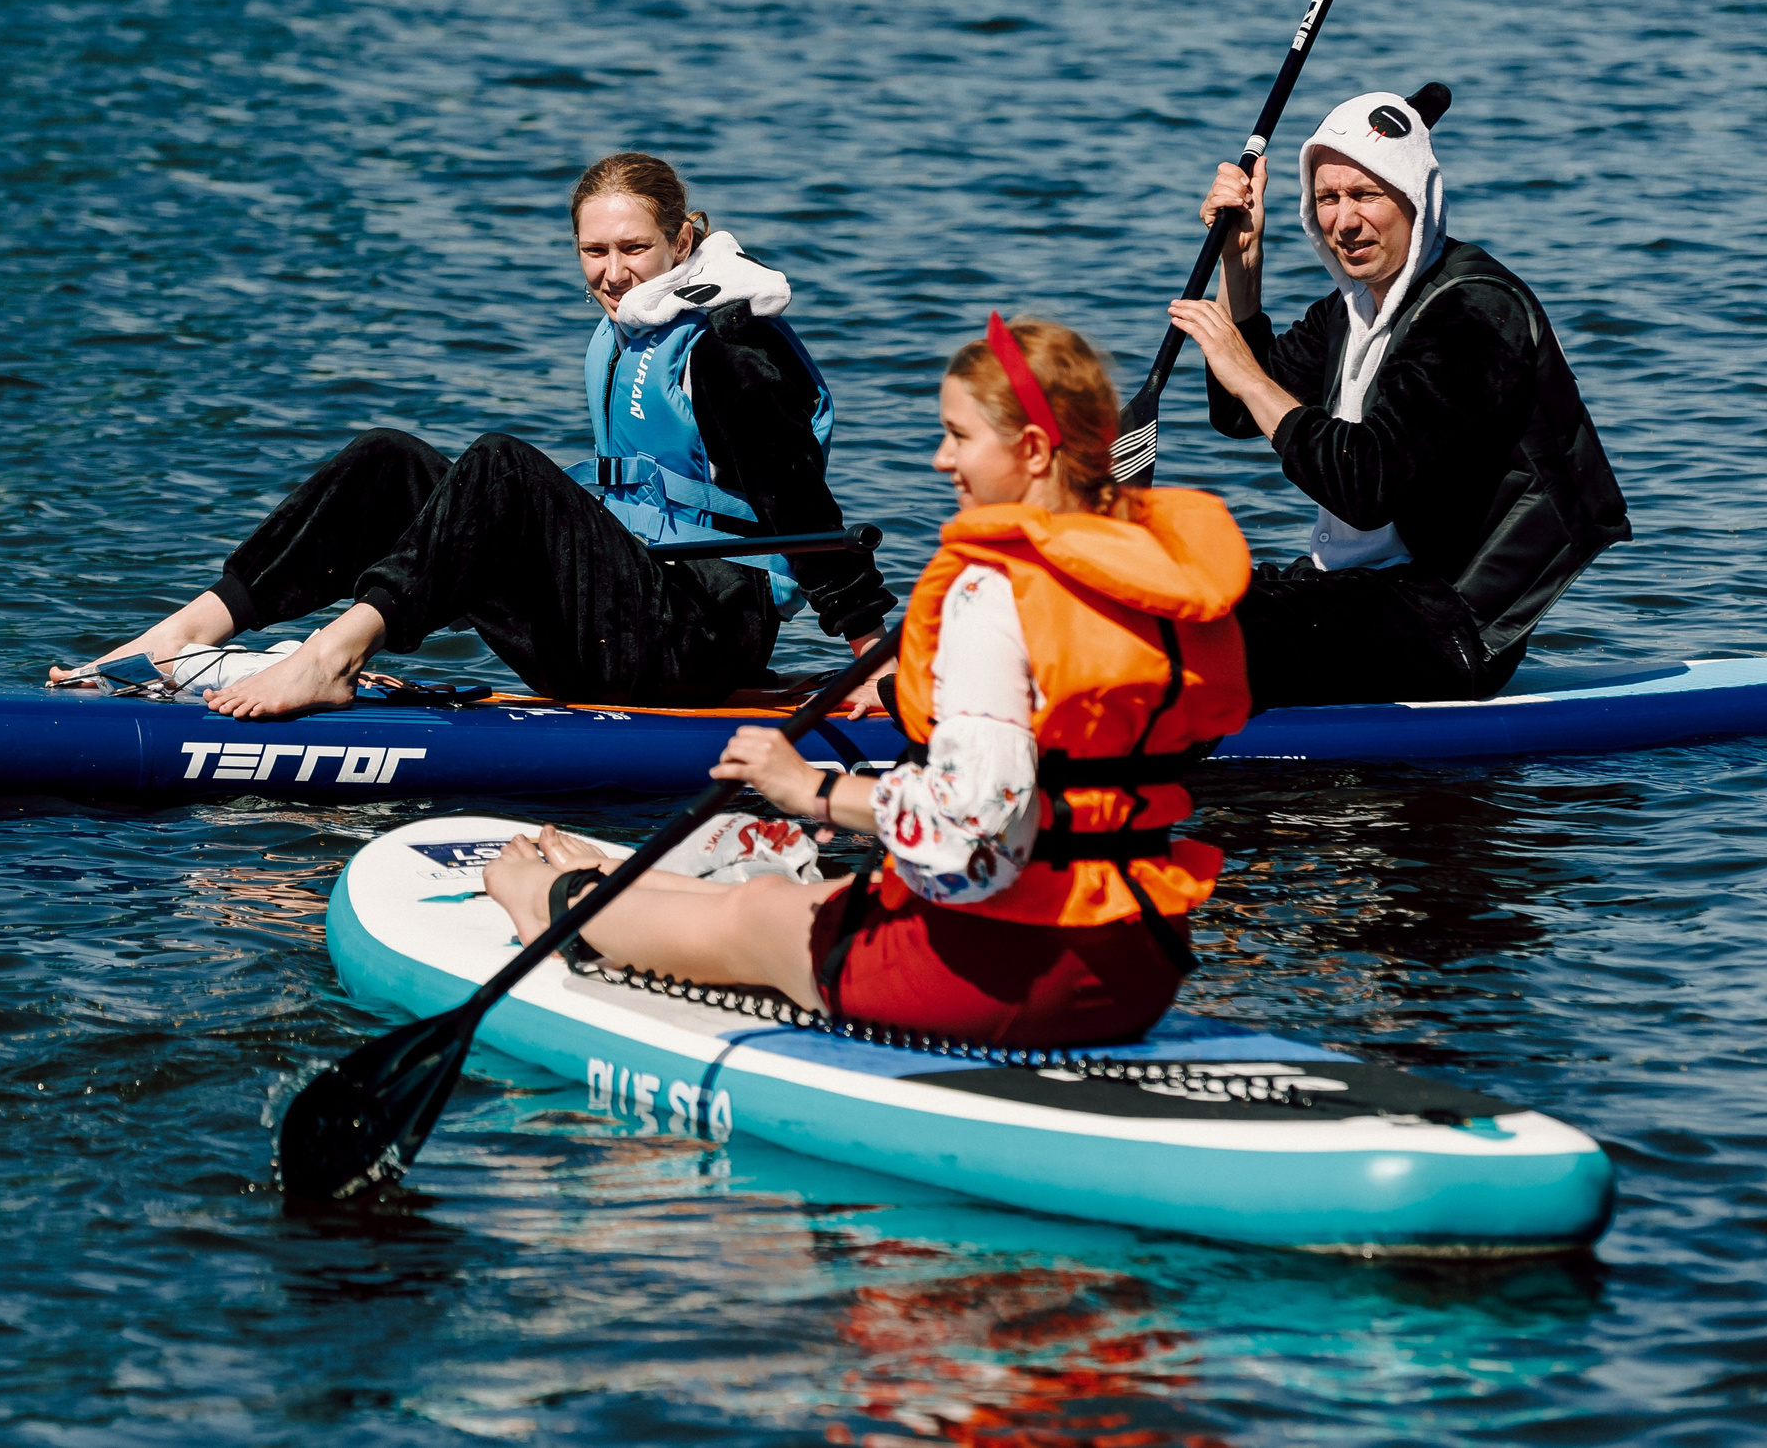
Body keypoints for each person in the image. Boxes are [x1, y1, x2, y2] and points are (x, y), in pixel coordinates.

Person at [482, 317, 1252, 1048]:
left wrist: (811, 790)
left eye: (958, 438)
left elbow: (970, 824)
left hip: (1010, 977)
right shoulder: (1152, 577)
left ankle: (545, 901)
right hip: (1139, 961)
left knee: (760, 916)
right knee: (823, 901)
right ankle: (620, 876)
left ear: (1032, 452)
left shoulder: (997, 593)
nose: (940, 462)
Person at [55, 153, 895, 719]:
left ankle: (335, 656)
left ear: (684, 239)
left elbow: (803, 503)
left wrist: (872, 653)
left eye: (634, 248)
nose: (612, 273)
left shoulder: (727, 348)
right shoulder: (632, 334)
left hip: (700, 633)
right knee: (390, 460)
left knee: (501, 464)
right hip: (622, 610)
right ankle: (188, 634)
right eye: (593, 251)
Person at [1166, 88, 1630, 709]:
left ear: (1417, 199)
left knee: (1206, 637)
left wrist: (1247, 373)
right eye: (1327, 198)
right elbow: (1237, 414)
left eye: (1365, 195)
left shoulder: (1475, 312)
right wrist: (1241, 264)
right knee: (1173, 597)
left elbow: (1364, 486)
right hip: (1355, 595)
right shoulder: (1351, 311)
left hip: (1451, 624)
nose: (1344, 221)